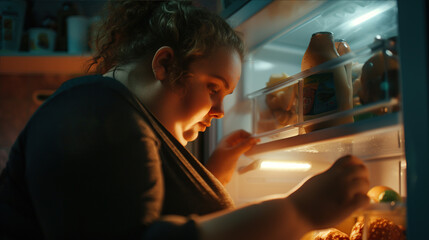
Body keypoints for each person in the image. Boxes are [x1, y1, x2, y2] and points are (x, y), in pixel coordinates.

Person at [0, 1, 370, 240]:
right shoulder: (95, 112)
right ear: (164, 65)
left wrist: (214, 174)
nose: (221, 111)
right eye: (213, 87)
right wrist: (298, 211)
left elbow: (144, 205)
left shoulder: (121, 116)